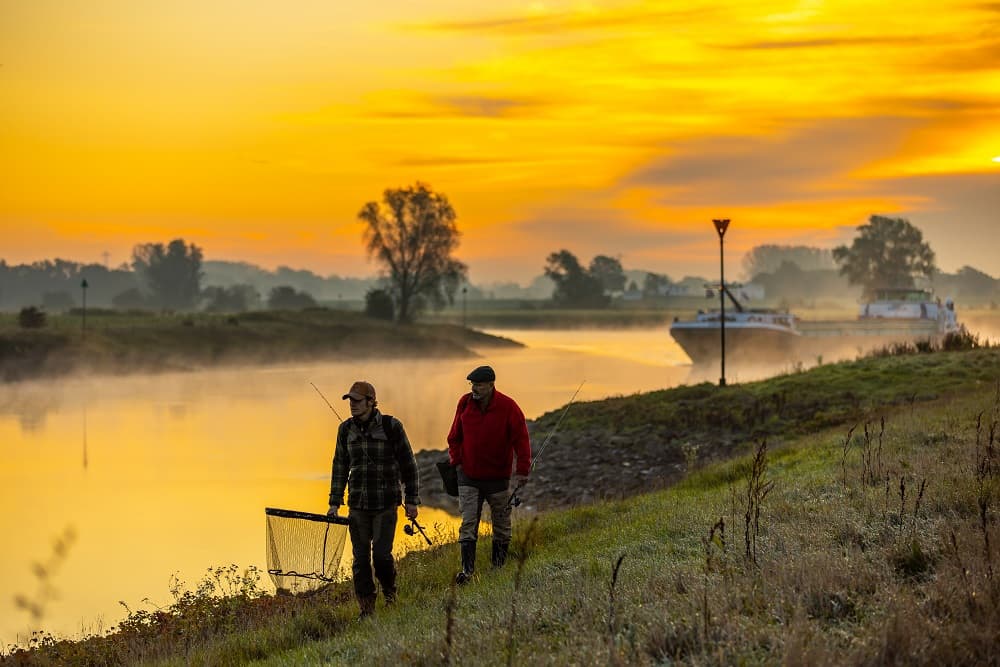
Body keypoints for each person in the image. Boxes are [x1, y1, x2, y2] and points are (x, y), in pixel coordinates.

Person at [328, 380, 420, 617]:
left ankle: (390, 593)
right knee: (360, 561)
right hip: (357, 505)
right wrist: (334, 503)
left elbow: (408, 464)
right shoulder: (345, 430)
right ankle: (366, 609)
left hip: (386, 504)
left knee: (381, 556)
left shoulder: (391, 426)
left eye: (357, 401)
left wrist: (412, 500)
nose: (352, 406)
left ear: (371, 402)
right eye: (350, 401)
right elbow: (339, 466)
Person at [447, 365, 531, 584]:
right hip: (468, 477)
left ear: (491, 385)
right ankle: (467, 572)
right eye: (472, 384)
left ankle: (499, 568)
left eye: (479, 384)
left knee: (502, 524)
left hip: (498, 478)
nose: (474, 388)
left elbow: (521, 439)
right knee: (468, 523)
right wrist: (457, 463)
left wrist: (522, 470)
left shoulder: (508, 406)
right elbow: (454, 436)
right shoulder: (464, 403)